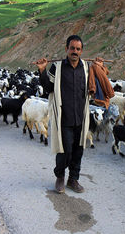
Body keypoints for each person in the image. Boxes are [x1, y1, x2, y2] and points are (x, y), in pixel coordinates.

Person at [34, 35, 105, 194]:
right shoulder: (57, 67)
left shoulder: (87, 67)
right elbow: (48, 88)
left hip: (81, 116)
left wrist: (99, 67)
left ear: (81, 51)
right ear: (66, 49)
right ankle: (60, 177)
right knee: (64, 150)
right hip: (63, 117)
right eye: (72, 48)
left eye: (78, 49)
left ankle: (73, 179)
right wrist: (42, 71)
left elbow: (96, 85)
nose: (75, 51)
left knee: (78, 149)